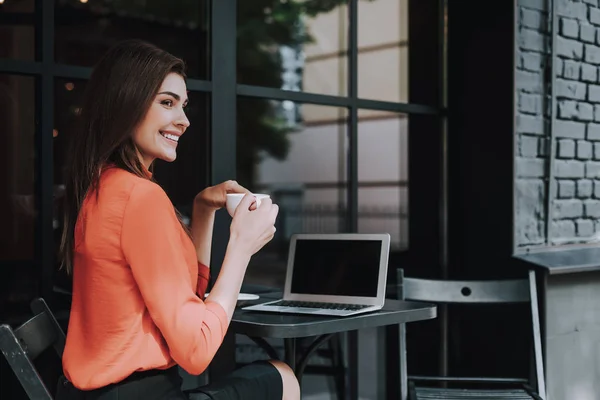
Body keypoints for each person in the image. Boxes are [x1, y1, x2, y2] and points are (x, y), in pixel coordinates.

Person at [55, 39, 300, 400]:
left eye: (183, 106)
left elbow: (187, 300)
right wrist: (241, 247)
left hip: (93, 393)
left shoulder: (102, 186)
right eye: (167, 103)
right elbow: (197, 349)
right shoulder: (141, 197)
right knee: (282, 377)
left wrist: (203, 211)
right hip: (141, 394)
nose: (183, 121)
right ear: (126, 103)